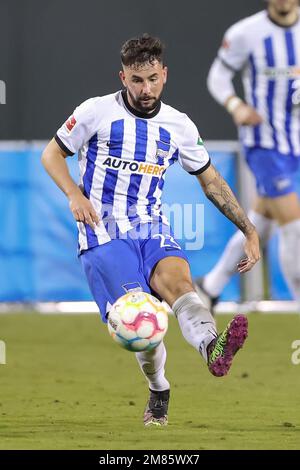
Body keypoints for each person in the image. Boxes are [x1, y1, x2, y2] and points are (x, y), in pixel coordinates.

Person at [41, 34, 260, 427]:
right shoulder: (95, 112)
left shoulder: (178, 125)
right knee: (141, 322)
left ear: (165, 75)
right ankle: (159, 387)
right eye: (137, 80)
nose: (146, 89)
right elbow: (51, 153)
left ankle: (212, 346)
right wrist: (74, 195)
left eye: (153, 79)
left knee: (179, 283)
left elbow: (210, 181)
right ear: (123, 77)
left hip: (151, 225)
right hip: (102, 232)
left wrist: (248, 229)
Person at [195, 0, 300, 312]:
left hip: (295, 143)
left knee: (261, 221)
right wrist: (235, 105)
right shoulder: (246, 33)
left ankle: (210, 286)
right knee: (293, 225)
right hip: (263, 144)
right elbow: (217, 76)